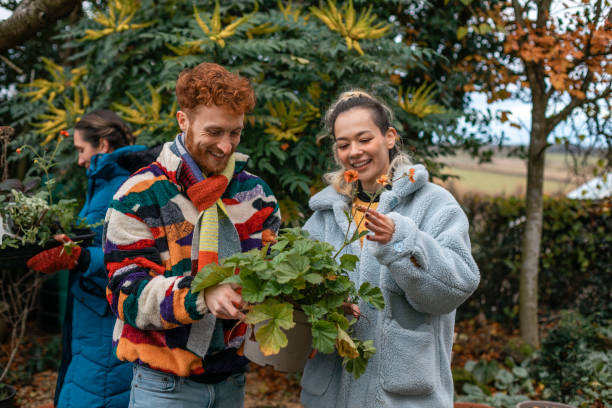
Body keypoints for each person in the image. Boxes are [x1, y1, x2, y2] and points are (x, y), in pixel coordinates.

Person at [102, 62, 281, 408]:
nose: (226, 146)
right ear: (183, 121)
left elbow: (275, 274)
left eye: (235, 133)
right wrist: (201, 294)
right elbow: (127, 294)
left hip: (232, 382)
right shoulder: (139, 195)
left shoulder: (257, 195)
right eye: (214, 132)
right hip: (164, 388)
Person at [300, 90, 480, 408]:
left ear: (389, 137)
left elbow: (457, 285)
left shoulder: (433, 204)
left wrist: (404, 242)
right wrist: (325, 302)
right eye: (343, 144)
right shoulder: (325, 216)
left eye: (364, 139)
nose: (354, 152)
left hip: (400, 397)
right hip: (332, 394)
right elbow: (298, 292)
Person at [27, 109, 152, 408]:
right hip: (92, 313)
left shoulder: (121, 187)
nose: (80, 159)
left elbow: (138, 255)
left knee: (99, 394)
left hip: (105, 320)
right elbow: (103, 240)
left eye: (82, 150)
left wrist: (81, 258)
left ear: (103, 145)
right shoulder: (106, 182)